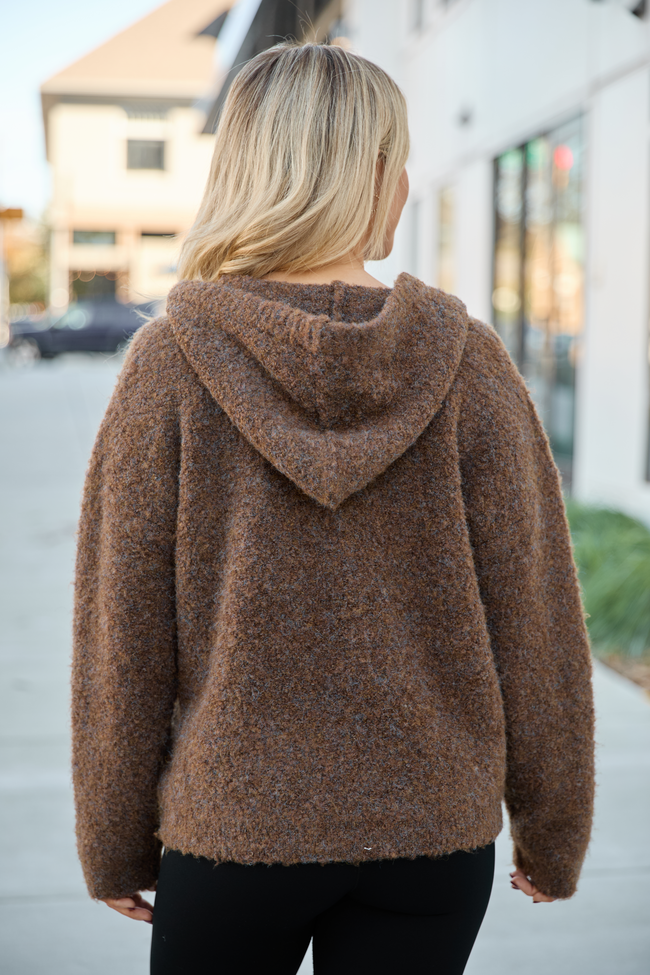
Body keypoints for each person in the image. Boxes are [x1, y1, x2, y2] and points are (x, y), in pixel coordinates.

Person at [71, 42, 595, 975]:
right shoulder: (467, 361)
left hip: (235, 832)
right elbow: (536, 615)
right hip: (430, 832)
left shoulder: (172, 362)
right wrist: (553, 826)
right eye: (400, 161)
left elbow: (123, 631)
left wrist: (112, 835)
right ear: (370, 176)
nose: (408, 185)